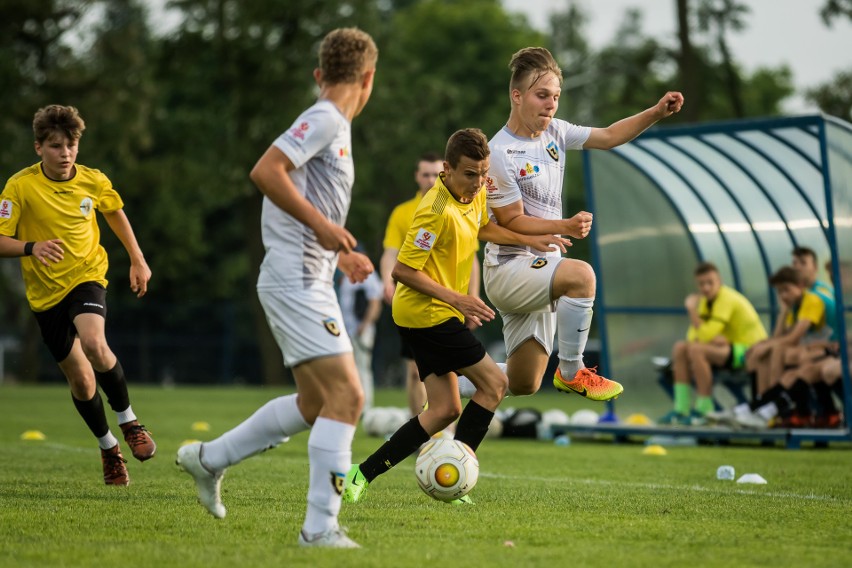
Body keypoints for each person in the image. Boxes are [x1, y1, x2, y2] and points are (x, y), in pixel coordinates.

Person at [176, 27, 378, 549]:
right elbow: (267, 171)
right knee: (349, 396)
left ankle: (208, 459)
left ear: (319, 74)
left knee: (316, 403)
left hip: (309, 277)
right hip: (295, 279)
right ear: (368, 78)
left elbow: (306, 197)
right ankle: (319, 529)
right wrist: (327, 231)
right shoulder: (327, 117)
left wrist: (342, 252)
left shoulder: (334, 124)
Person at [343, 128, 570, 505]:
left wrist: (528, 239)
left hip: (436, 314)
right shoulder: (432, 212)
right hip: (426, 315)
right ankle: (459, 469)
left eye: (483, 174)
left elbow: (484, 228)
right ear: (446, 170)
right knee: (495, 385)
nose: (479, 182)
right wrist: (461, 300)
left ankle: (361, 474)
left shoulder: (476, 191)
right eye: (469, 174)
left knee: (445, 409)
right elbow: (402, 271)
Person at [457, 47, 684, 403]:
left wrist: (656, 112)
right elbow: (510, 219)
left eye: (556, 97)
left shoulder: (556, 133)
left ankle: (443, 387)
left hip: (541, 266)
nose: (551, 104)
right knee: (582, 277)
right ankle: (572, 371)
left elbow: (608, 136)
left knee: (524, 381)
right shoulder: (499, 153)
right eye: (542, 95)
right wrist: (563, 225)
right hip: (508, 267)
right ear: (517, 96)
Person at [0, 104, 156, 486]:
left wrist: (137, 259)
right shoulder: (19, 186)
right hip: (45, 296)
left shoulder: (93, 180)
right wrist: (30, 247)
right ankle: (108, 449)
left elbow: (115, 213)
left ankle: (130, 422)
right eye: (55, 145)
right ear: (39, 148)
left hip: (87, 277)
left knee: (94, 343)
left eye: (70, 145)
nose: (65, 153)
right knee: (83, 382)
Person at [380, 152, 481, 417]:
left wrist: (473, 296)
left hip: (452, 304)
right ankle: (420, 431)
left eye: (434, 174)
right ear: (417, 176)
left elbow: (471, 257)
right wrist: (386, 281)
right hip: (417, 303)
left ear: (446, 173)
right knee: (415, 372)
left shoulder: (459, 204)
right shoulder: (403, 213)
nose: (429, 179)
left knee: (451, 373)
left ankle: (445, 436)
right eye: (424, 174)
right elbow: (391, 253)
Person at [658, 262, 767, 426]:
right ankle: (681, 410)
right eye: (702, 284)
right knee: (680, 348)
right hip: (728, 350)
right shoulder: (705, 302)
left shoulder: (727, 299)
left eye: (710, 282)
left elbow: (703, 334)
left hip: (751, 352)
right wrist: (710, 337)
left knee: (697, 351)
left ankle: (704, 410)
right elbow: (693, 335)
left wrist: (691, 310)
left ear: (720, 281)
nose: (706, 288)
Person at [736, 266, 831, 428]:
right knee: (769, 351)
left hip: (830, 350)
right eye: (779, 292)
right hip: (817, 350)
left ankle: (766, 409)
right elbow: (779, 336)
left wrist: (767, 346)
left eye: (786, 290)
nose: (783, 295)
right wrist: (783, 311)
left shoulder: (812, 300)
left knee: (777, 351)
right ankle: (762, 408)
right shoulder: (794, 305)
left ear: (801, 286)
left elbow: (793, 338)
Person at [337, 261, 383, 410]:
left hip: (361, 330)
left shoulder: (369, 276)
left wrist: (365, 325)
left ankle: (365, 406)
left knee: (362, 367)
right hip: (346, 329)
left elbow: (375, 303)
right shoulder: (346, 275)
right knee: (347, 369)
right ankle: (350, 403)